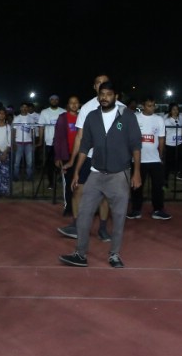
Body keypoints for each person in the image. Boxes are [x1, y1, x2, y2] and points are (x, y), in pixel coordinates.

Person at [59, 80, 141, 269]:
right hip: (95, 174)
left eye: (109, 94)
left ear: (116, 97)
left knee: (119, 217)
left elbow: (136, 145)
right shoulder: (92, 117)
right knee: (84, 213)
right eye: (102, 94)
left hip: (119, 175)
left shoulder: (127, 116)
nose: (104, 97)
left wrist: (136, 172)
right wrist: (77, 171)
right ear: (98, 96)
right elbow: (85, 145)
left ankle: (114, 255)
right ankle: (80, 254)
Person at [130, 96, 168, 220]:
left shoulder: (159, 120)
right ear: (143, 106)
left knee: (157, 186)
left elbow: (161, 138)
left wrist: (161, 154)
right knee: (137, 186)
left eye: (153, 105)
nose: (151, 108)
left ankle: (158, 209)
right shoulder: (135, 117)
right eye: (149, 105)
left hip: (155, 159)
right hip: (138, 160)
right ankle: (136, 210)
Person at [52, 95, 81, 217]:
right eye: (71, 103)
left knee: (80, 182)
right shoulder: (63, 118)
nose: (74, 105)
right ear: (68, 105)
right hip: (66, 155)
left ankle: (80, 207)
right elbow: (58, 138)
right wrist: (57, 156)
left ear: (79, 104)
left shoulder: (82, 117)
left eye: (76, 102)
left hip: (80, 154)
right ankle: (68, 207)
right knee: (67, 182)